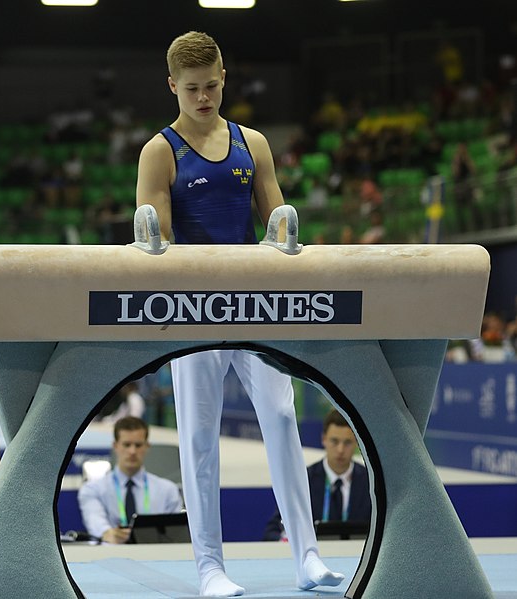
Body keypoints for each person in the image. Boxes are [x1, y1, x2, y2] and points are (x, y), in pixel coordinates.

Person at [136, 30, 344, 597]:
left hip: (255, 305)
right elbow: (159, 244)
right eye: (192, 89)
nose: (203, 98)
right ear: (172, 86)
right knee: (199, 441)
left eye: (211, 86)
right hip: (197, 310)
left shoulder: (252, 143)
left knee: (280, 420)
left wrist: (288, 233)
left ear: (224, 78)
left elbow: (276, 223)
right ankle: (209, 567)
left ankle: (306, 555)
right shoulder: (160, 151)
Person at [263, 410, 371, 541]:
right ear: (323, 439)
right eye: (334, 441)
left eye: (347, 442)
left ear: (356, 443)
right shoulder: (303, 480)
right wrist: (286, 541)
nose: (340, 450)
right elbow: (273, 531)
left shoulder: (370, 482)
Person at [77, 416, 183, 544]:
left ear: (147, 446)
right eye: (127, 445)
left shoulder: (168, 490)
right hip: (110, 557)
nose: (132, 451)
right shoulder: (93, 489)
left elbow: (175, 534)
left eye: (138, 445)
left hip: (156, 557)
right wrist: (107, 533)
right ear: (115, 446)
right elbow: (95, 521)